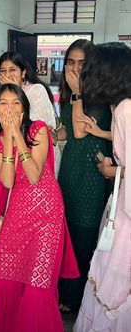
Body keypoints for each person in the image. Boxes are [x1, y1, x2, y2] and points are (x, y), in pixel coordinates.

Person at [0, 83, 79, 332]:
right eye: (3, 103)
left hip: (46, 215)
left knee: (37, 288)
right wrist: (10, 138)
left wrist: (18, 138)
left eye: (16, 103)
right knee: (4, 284)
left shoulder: (39, 130)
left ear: (24, 109)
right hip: (18, 215)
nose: (10, 108)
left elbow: (34, 175)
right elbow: (8, 180)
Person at [74, 42, 131, 331]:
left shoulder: (124, 109)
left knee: (114, 287)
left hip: (127, 214)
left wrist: (114, 170)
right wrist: (101, 131)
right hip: (123, 203)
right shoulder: (125, 106)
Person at [55, 39, 112, 313]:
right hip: (70, 170)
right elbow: (69, 130)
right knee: (65, 234)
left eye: (82, 63)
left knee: (83, 237)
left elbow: (81, 131)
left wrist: (77, 93)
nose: (76, 68)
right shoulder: (71, 95)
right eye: (71, 62)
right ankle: (62, 290)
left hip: (91, 175)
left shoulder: (101, 97)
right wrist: (54, 134)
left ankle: (75, 298)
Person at [0, 51, 61, 178]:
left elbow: (36, 128)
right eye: (3, 71)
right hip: (12, 157)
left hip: (36, 158)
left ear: (23, 73)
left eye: (12, 70)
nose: (7, 74)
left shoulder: (36, 90)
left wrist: (14, 92)